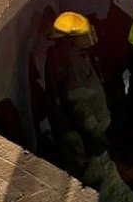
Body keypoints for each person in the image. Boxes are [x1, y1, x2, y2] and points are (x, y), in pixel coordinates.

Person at [42, 11, 111, 186]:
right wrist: (95, 133)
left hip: (77, 129)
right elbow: (78, 104)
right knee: (82, 173)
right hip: (75, 132)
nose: (88, 35)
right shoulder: (70, 62)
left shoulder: (69, 53)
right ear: (68, 37)